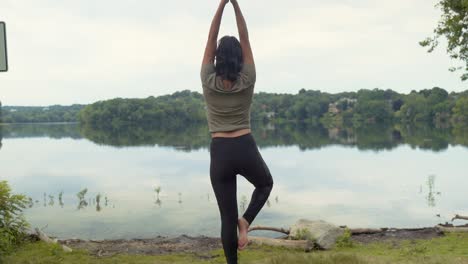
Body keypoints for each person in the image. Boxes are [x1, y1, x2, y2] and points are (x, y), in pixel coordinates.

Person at [200, 0, 274, 263]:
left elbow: (211, 38)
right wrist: (235, 4)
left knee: (225, 218)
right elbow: (246, 38)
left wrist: (221, 5)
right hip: (244, 145)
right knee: (265, 184)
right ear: (241, 57)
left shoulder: (208, 79)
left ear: (217, 57)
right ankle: (246, 222)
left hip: (219, 152)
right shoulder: (248, 78)